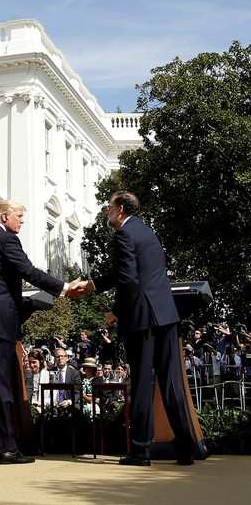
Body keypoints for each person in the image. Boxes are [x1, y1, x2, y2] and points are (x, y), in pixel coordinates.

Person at [70, 190, 196, 466]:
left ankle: (140, 450)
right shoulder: (148, 232)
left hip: (142, 318)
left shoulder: (123, 235)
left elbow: (127, 279)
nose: (107, 212)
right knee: (171, 383)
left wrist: (115, 312)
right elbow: (128, 273)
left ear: (121, 210)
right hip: (165, 314)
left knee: (140, 384)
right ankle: (187, 447)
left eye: (109, 207)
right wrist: (91, 285)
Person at [0, 199, 80, 464]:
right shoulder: (7, 241)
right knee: (0, 385)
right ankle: (5, 449)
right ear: (4, 217)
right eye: (20, 217)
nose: (22, 222)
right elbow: (27, 271)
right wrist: (64, 287)